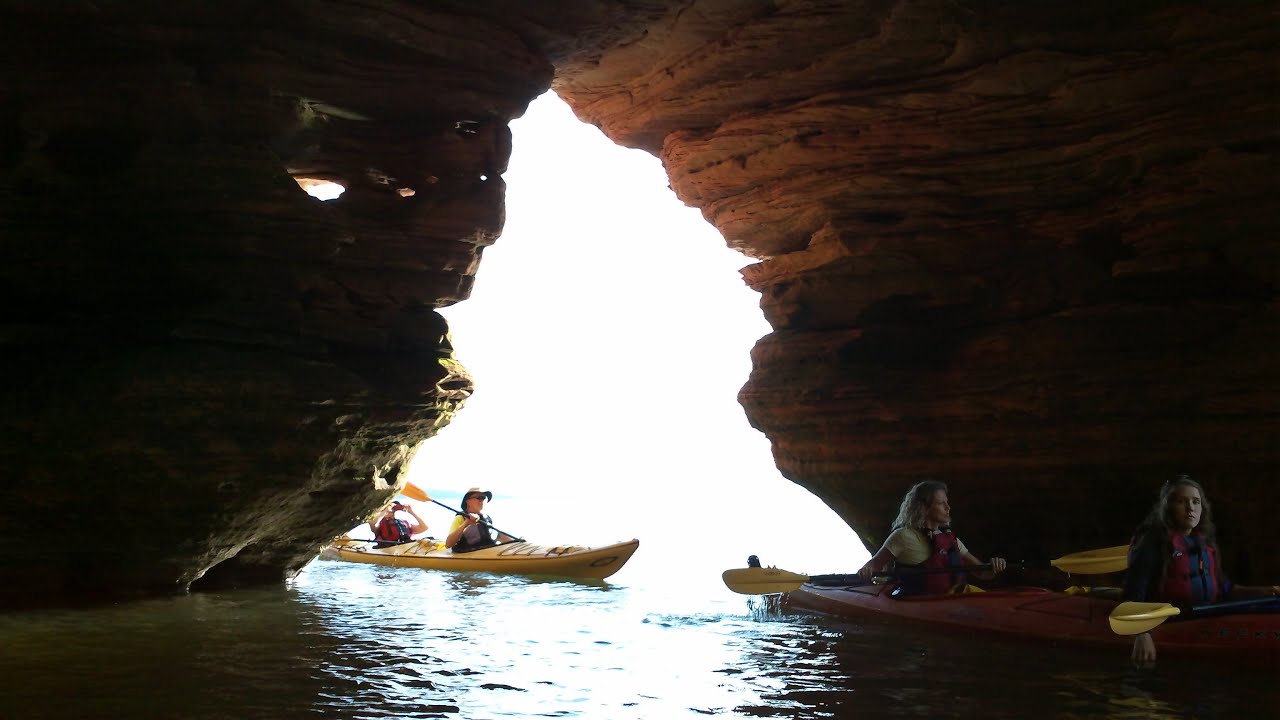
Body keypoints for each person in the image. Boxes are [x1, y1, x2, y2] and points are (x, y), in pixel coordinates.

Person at [1123, 475, 1279, 668]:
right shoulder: (1152, 543)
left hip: (1206, 614)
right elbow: (1132, 595)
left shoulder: (1204, 543)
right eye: (1181, 502)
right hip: (1173, 621)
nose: (1191, 508)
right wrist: (1142, 633)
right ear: (1167, 507)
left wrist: (1262, 592)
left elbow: (1224, 589)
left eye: (1195, 502)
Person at [856, 480, 1007, 594]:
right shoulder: (902, 536)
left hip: (953, 602)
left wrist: (994, 567)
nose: (948, 507)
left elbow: (981, 572)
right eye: (941, 503)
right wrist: (866, 571)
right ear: (925, 508)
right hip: (919, 605)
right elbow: (874, 564)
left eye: (947, 502)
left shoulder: (951, 539)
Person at [445, 488, 515, 552]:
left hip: (489, 553)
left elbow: (499, 536)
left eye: (483, 498)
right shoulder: (460, 518)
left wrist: (515, 544)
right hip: (469, 555)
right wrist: (466, 523)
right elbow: (448, 544)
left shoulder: (487, 518)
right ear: (468, 501)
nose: (482, 501)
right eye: (479, 498)